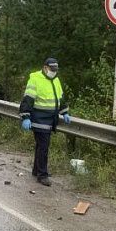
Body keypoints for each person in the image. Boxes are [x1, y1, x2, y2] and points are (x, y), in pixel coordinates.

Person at [19, 57, 71, 186]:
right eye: (52, 69)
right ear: (45, 68)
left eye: (55, 69)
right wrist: (26, 117)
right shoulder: (35, 79)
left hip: (50, 119)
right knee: (43, 146)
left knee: (41, 146)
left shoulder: (56, 80)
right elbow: (28, 99)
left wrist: (64, 112)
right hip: (39, 118)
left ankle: (37, 170)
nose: (53, 72)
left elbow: (60, 98)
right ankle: (42, 175)